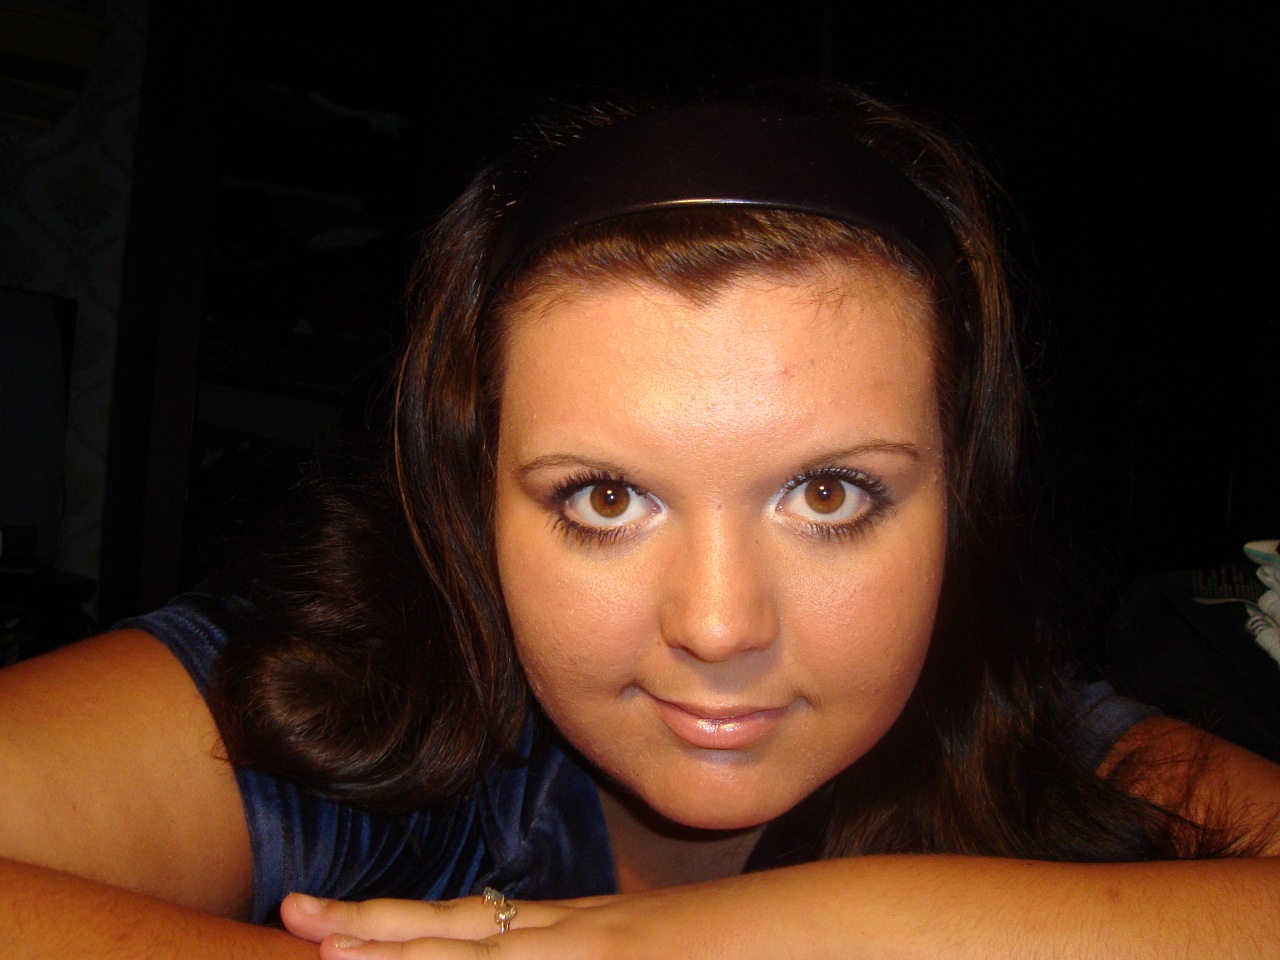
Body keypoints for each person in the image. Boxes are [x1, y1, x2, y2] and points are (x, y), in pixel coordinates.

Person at [2, 84, 1278, 959]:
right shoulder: (331, 697)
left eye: (827, 494)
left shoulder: (1030, 742)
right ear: (470, 503)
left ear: (959, 505)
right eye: (605, 498)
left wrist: (749, 939)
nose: (717, 626)